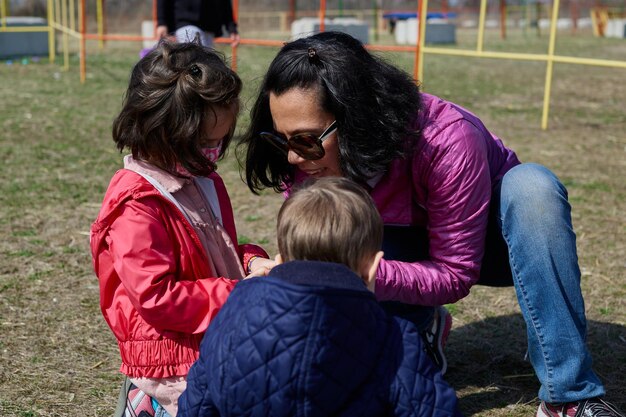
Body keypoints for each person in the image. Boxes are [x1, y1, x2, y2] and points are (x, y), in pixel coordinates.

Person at [239, 31, 625, 417]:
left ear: (356, 119)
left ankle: (571, 396)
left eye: (305, 141)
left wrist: (357, 273)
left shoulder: (448, 138)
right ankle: (416, 327)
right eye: (281, 140)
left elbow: (456, 272)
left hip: (493, 245)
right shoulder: (310, 154)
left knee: (533, 189)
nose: (292, 157)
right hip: (391, 250)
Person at [177, 177, 464, 417]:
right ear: (373, 268)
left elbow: (200, 398)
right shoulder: (394, 337)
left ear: (279, 259)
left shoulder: (235, 308)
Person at [90, 40, 271, 417]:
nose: (214, 151)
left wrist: (252, 263)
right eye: (205, 142)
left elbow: (214, 253)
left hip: (209, 338)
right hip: (170, 361)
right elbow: (157, 296)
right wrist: (239, 294)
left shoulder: (199, 177)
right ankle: (142, 404)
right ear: (160, 130)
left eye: (220, 140)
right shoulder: (138, 202)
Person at [155, 0, 240, 47]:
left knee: (205, 64)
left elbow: (225, 3)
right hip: (185, 21)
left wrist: (231, 27)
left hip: (209, 24)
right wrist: (162, 22)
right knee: (196, 59)